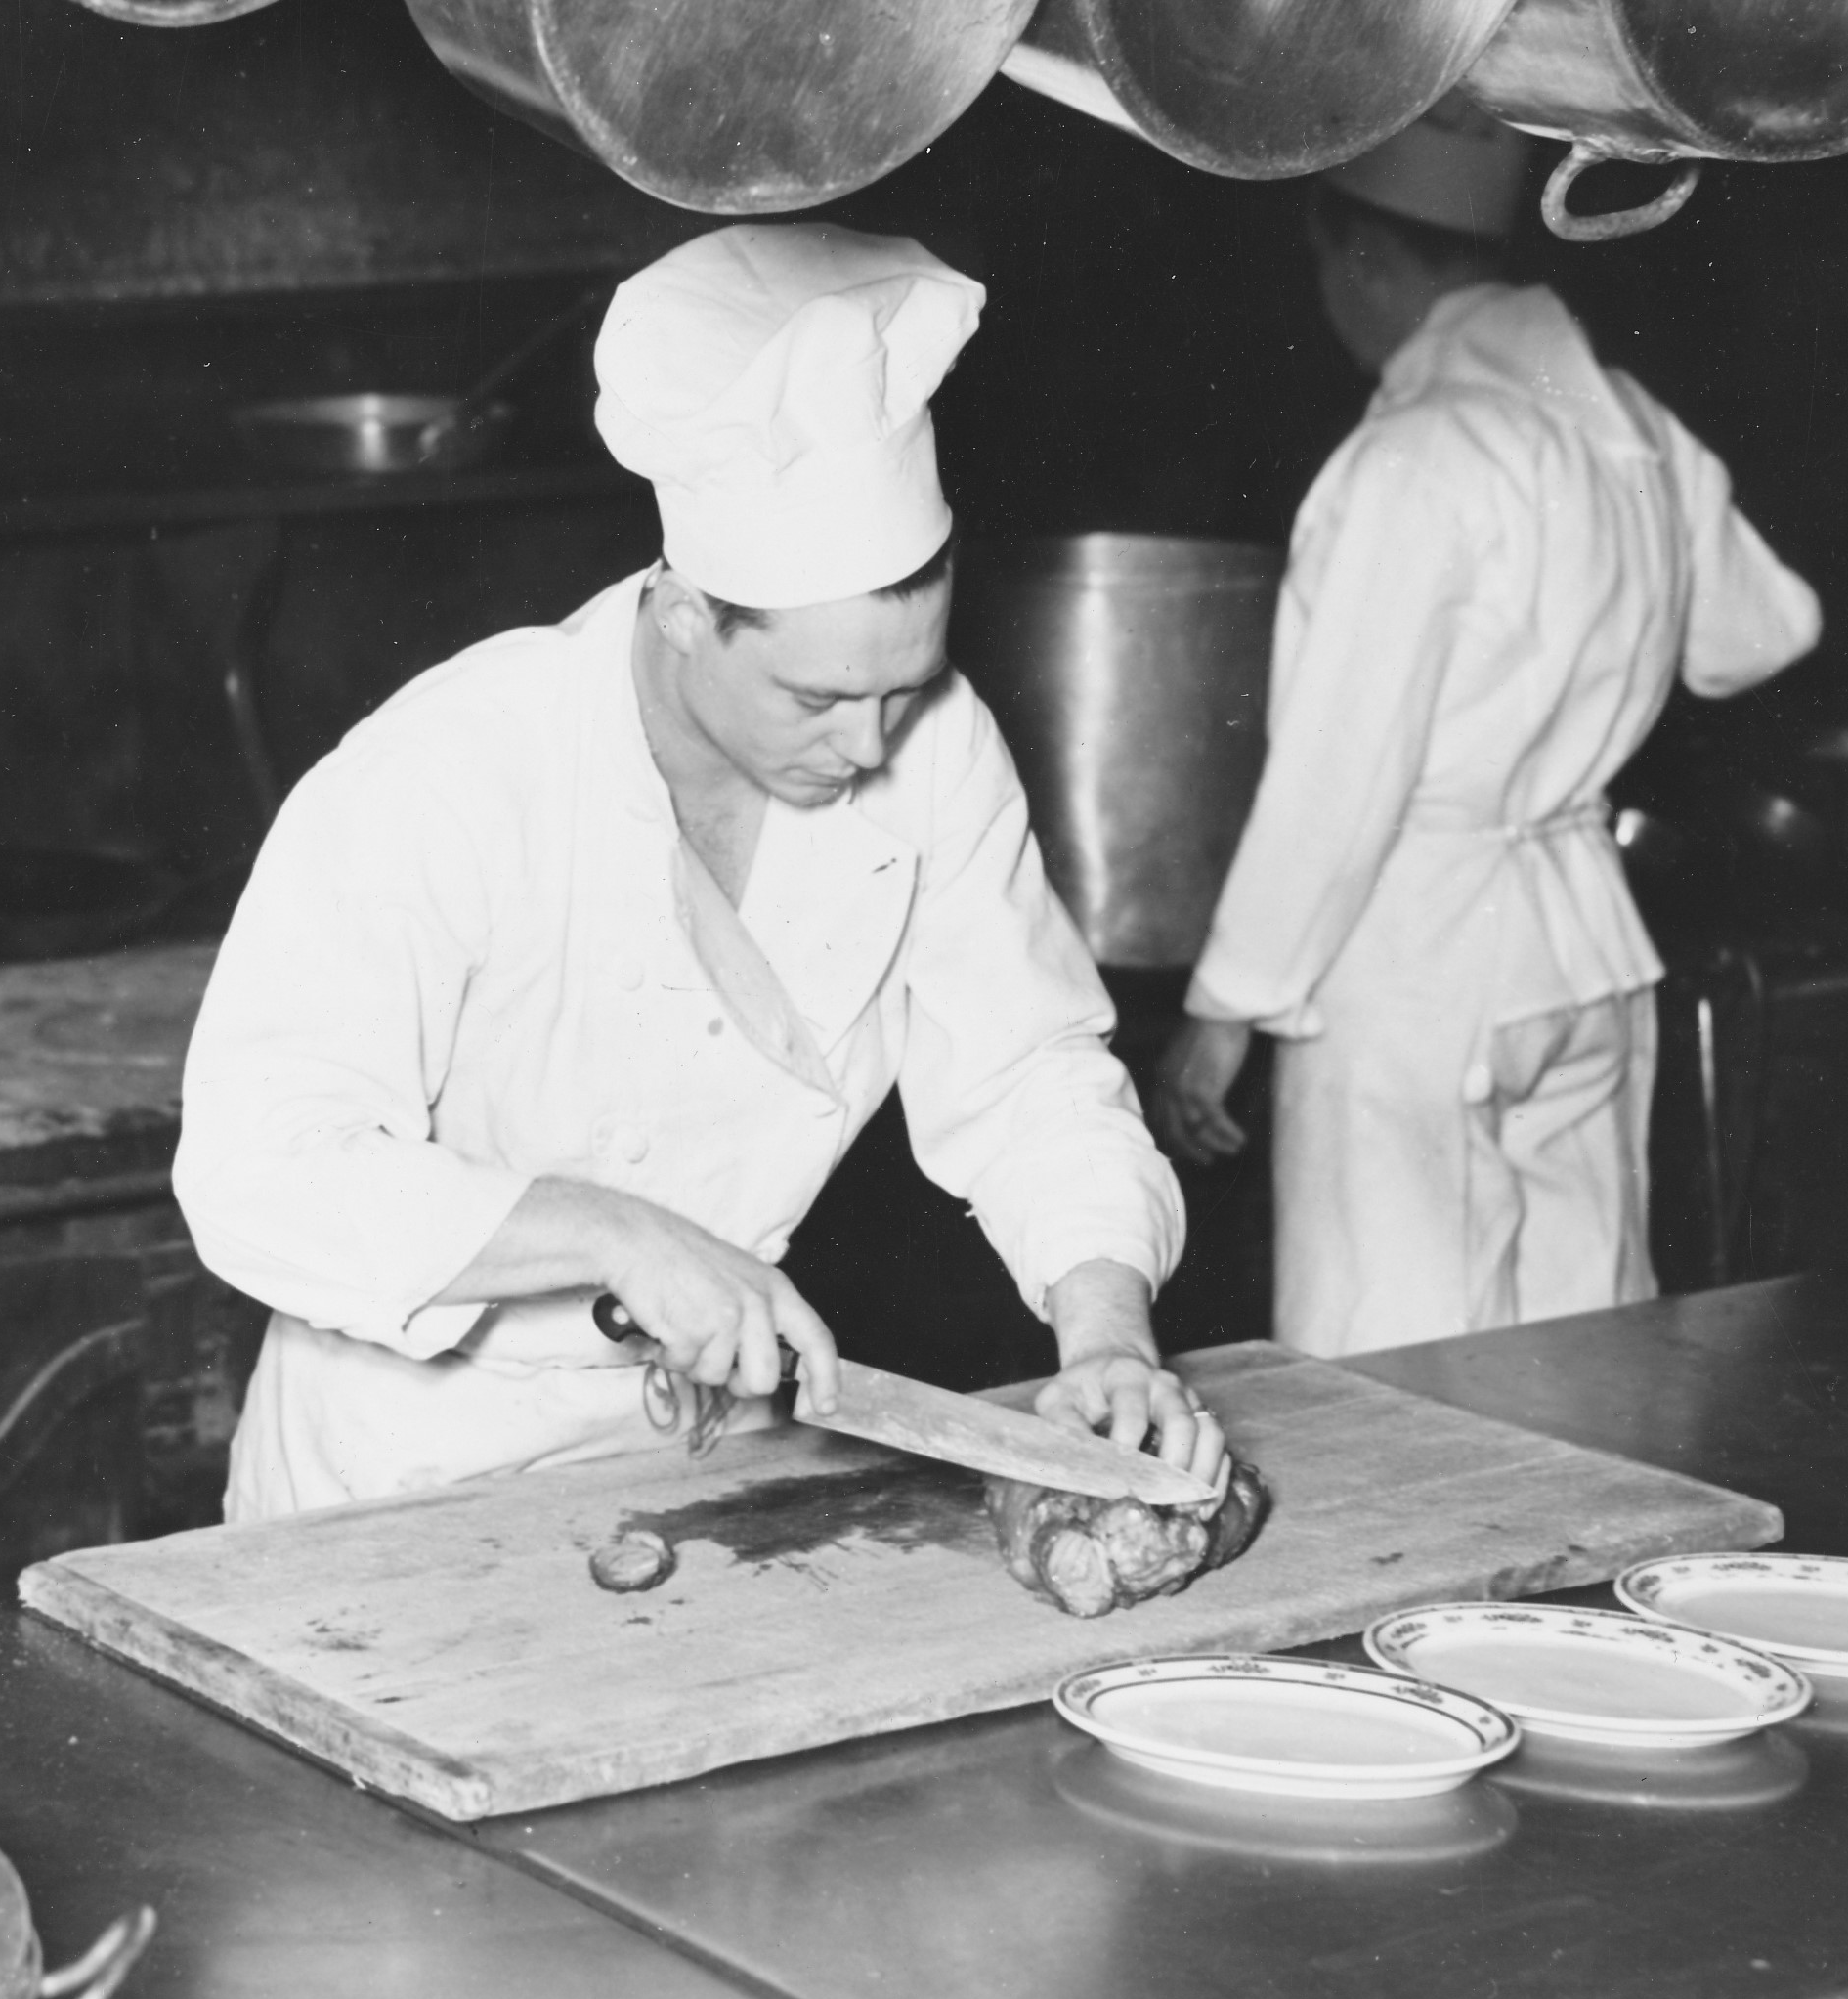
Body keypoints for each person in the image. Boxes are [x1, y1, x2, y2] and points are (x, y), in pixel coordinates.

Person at [178, 223, 1224, 1524]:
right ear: (684, 615)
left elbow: (1030, 1073)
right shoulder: (454, 768)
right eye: (819, 697)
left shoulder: (931, 742)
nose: (870, 743)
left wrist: (1107, 1328)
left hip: (702, 1459)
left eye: (902, 687)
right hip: (402, 1466)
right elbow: (255, 1168)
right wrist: (611, 1229)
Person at [1154, 100, 1823, 1358]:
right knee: (1591, 1354)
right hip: (1582, 948)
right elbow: (1762, 630)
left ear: (1359, 252)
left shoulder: (1414, 456)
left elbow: (1341, 769)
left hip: (1419, 964)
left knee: (1396, 1365)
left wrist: (1225, 1009)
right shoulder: (1624, 426)